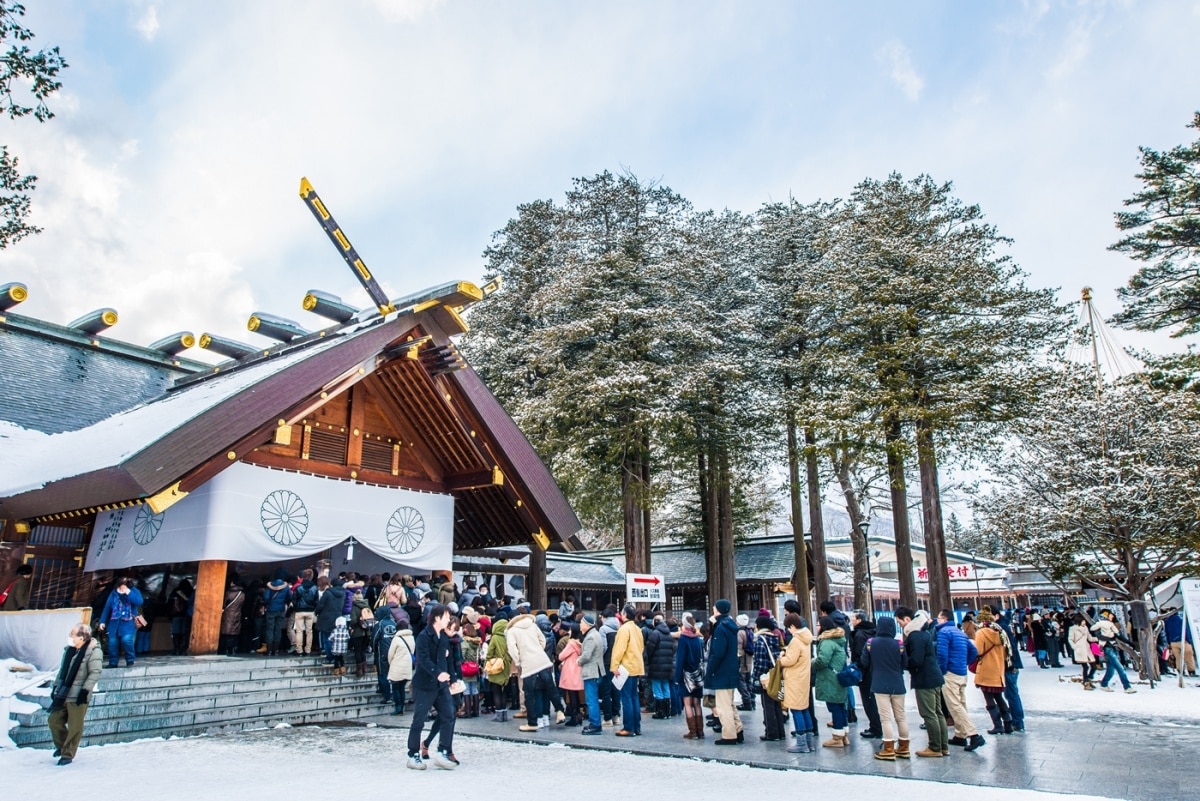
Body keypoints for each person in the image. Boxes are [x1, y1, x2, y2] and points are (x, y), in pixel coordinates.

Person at [406, 604, 458, 770]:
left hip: (441, 685)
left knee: (449, 715)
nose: (449, 620)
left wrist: (453, 678)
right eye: (446, 617)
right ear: (437, 617)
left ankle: (443, 750)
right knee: (419, 720)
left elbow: (447, 660)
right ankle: (413, 754)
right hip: (424, 685)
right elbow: (423, 659)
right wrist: (437, 673)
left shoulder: (443, 637)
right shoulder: (423, 636)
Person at [47, 624, 102, 765]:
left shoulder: (93, 651)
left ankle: (67, 754)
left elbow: (95, 672)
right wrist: (55, 687)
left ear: (82, 637)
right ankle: (62, 746)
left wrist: (85, 690)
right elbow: (62, 671)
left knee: (75, 726)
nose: (70, 636)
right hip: (63, 693)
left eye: (73, 634)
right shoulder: (69, 650)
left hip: (78, 694)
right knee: (54, 720)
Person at [899, 608, 945, 758]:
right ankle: (943, 746)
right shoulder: (924, 632)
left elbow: (916, 660)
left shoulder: (915, 636)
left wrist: (904, 661)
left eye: (899, 621)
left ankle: (935, 747)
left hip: (925, 678)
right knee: (938, 713)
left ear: (907, 619)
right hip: (934, 676)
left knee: (929, 714)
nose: (899, 625)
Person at [936, 608, 985, 752]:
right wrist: (964, 662)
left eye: (939, 618)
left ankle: (973, 734)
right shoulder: (959, 632)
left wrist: (943, 670)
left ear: (944, 619)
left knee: (954, 705)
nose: (937, 620)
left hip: (950, 673)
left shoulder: (944, 633)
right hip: (961, 672)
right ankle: (960, 734)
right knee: (961, 703)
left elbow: (942, 654)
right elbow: (973, 651)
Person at [861, 615, 908, 760]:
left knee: (885, 719)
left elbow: (864, 662)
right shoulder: (899, 644)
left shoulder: (870, 643)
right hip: (898, 684)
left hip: (879, 684)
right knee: (900, 717)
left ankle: (888, 749)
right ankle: (904, 747)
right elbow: (905, 664)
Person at [508, 606, 556, 732]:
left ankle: (535, 720)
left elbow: (512, 649)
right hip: (545, 663)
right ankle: (546, 716)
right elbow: (544, 642)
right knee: (547, 691)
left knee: (533, 693)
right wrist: (539, 651)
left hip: (529, 665)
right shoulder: (542, 630)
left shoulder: (513, 631)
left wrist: (519, 661)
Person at [706, 599, 744, 745]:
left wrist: (711, 669)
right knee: (730, 704)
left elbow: (718, 652)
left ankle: (729, 735)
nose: (713, 611)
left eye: (715, 609)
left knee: (723, 706)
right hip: (731, 669)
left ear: (719, 610)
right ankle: (738, 729)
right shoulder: (730, 625)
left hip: (721, 671)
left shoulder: (721, 628)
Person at [779, 612, 815, 753]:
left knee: (796, 709)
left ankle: (801, 743)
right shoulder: (806, 638)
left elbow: (790, 660)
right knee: (804, 708)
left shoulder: (795, 640)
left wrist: (780, 659)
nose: (788, 629)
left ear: (793, 626)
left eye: (788, 627)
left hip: (794, 678)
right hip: (803, 677)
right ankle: (809, 742)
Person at [974, 608, 1013, 734]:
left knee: (989, 698)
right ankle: (1008, 722)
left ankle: (997, 725)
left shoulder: (981, 633)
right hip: (998, 668)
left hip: (986, 668)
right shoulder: (1000, 632)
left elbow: (978, 651)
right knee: (999, 697)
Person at [812, 615, 849, 748]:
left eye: (818, 624)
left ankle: (837, 737)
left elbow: (822, 660)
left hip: (830, 678)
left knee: (834, 707)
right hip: (838, 676)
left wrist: (811, 663)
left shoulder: (827, 641)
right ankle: (844, 735)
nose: (816, 627)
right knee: (840, 706)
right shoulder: (838, 639)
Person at [611, 603, 646, 737]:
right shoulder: (637, 629)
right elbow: (641, 647)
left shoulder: (624, 629)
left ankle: (628, 727)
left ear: (624, 614)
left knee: (626, 698)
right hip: (636, 665)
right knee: (634, 697)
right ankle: (636, 727)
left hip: (626, 666)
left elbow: (619, 649)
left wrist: (614, 666)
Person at [752, 614, 785, 741]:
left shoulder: (761, 640)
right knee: (777, 703)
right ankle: (780, 731)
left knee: (767, 705)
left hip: (766, 676)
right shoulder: (774, 638)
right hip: (776, 674)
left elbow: (760, 661)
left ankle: (771, 732)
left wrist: (756, 678)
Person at [850, 609, 883, 740]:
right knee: (873, 700)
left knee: (868, 701)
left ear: (859, 620)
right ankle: (877, 726)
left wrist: (858, 670)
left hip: (865, 672)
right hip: (876, 670)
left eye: (853, 618)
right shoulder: (874, 631)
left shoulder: (859, 635)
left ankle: (875, 727)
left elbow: (859, 655)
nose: (852, 620)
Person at [97, 577, 144, 668]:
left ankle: (130, 660)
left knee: (126, 640)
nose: (121, 588)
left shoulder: (134, 591)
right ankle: (113, 662)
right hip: (114, 622)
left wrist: (128, 593)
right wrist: (102, 621)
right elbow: (107, 607)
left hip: (128, 622)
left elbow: (139, 602)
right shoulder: (113, 593)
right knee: (112, 643)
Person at [1091, 609, 1136, 693]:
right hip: (1107, 648)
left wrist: (1129, 643)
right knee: (1120, 668)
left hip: (1113, 647)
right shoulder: (1100, 626)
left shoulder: (1110, 625)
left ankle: (1104, 684)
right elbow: (1098, 636)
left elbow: (1119, 636)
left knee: (1111, 670)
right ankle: (1127, 687)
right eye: (1110, 615)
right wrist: (1110, 638)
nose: (1112, 616)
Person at [996, 608, 1027, 731]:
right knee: (1012, 693)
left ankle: (1017, 721)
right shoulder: (1003, 626)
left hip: (1009, 665)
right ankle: (1017, 720)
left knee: (1011, 694)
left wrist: (1011, 663)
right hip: (1011, 664)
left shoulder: (1001, 628)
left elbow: (1009, 648)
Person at [645, 613, 677, 720]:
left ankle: (660, 711)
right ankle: (667, 711)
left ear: (655, 622)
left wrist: (648, 660)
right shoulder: (668, 634)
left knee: (657, 688)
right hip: (668, 665)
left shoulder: (655, 633)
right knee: (666, 687)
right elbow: (672, 649)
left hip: (657, 664)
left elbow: (649, 649)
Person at [578, 614, 606, 734]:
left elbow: (586, 656)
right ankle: (595, 723)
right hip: (598, 670)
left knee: (591, 700)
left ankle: (595, 725)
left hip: (592, 672)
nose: (580, 625)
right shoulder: (596, 633)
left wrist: (578, 661)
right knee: (593, 698)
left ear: (586, 625)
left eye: (581, 623)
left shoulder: (590, 637)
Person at [485, 618, 513, 722]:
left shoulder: (495, 637)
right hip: (506, 665)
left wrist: (488, 661)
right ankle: (504, 714)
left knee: (496, 690)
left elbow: (490, 652)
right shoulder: (508, 637)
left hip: (496, 665)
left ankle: (499, 714)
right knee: (504, 690)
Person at [314, 576, 346, 663]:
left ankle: (330, 657)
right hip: (338, 617)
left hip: (326, 618)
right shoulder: (343, 593)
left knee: (327, 638)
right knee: (335, 638)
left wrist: (316, 612)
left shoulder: (328, 593)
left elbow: (320, 605)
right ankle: (336, 658)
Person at [388, 619, 416, 714]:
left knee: (395, 688)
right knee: (402, 688)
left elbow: (390, 654)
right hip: (407, 666)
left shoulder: (396, 639)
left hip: (397, 666)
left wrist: (390, 663)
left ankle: (398, 708)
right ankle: (402, 707)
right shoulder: (411, 638)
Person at [1161, 607, 1197, 677]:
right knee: (1189, 656)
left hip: (1173, 642)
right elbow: (1186, 631)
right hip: (1184, 641)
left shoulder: (1167, 621)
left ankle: (1180, 671)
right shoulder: (1181, 620)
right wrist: (1189, 641)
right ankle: (1191, 671)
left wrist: (1169, 642)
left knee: (1178, 657)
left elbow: (1166, 632)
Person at [290, 569, 318, 655]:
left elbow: (294, 599)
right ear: (311, 577)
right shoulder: (314, 588)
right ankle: (308, 650)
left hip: (299, 611)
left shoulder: (299, 587)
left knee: (299, 631)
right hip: (310, 611)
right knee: (309, 631)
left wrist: (296, 607)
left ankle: (299, 650)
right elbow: (316, 600)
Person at [1068, 613, 1097, 689]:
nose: (1085, 622)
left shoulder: (1086, 628)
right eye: (1083, 621)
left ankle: (1089, 679)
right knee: (1085, 667)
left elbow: (1090, 638)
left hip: (1087, 648)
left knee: (1094, 666)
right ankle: (1086, 682)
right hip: (1080, 649)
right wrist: (1075, 647)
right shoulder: (1073, 628)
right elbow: (1070, 639)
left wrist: (1098, 638)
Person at [168, 579, 194, 655]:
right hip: (186, 615)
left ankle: (176, 649)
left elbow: (170, 603)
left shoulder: (176, 591)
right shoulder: (190, 591)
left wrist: (169, 615)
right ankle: (183, 649)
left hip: (176, 615)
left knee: (176, 633)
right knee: (184, 633)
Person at [736, 614, 756, 711]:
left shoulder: (740, 632)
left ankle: (746, 702)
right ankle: (752, 700)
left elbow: (739, 648)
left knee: (741, 681)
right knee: (748, 680)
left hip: (742, 660)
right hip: (749, 659)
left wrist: (737, 659)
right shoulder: (749, 630)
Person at [219, 580, 245, 656]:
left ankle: (225, 648)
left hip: (228, 613)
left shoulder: (228, 592)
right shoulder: (242, 594)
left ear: (233, 583)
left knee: (226, 631)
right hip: (237, 613)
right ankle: (233, 648)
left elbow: (224, 603)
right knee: (234, 632)